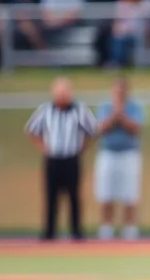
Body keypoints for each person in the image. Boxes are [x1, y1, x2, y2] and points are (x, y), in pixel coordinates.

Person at [25, 78, 97, 241]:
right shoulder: (46, 110)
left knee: (74, 197)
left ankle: (76, 232)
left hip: (71, 158)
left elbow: (92, 131)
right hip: (53, 159)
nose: (63, 96)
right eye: (59, 93)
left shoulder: (80, 110)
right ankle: (49, 232)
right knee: (51, 197)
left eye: (65, 92)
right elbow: (31, 130)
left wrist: (81, 148)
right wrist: (44, 148)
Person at [94, 77, 146, 240]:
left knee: (130, 193)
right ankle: (106, 228)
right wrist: (113, 116)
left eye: (122, 90)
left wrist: (121, 115)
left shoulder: (135, 108)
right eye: (116, 90)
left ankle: (129, 228)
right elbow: (101, 129)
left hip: (129, 154)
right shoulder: (105, 107)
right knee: (105, 192)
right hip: (108, 153)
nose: (119, 93)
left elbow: (136, 129)